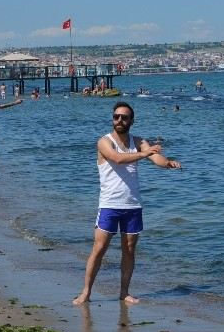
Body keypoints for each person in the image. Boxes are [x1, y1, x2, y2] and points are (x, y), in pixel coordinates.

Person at [73, 102, 181, 305]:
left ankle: (124, 292)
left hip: (132, 205)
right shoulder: (104, 142)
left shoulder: (138, 141)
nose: (119, 121)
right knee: (99, 248)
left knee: (129, 250)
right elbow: (117, 158)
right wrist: (144, 154)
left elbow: (154, 156)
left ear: (132, 120)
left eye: (124, 117)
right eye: (116, 117)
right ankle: (86, 292)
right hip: (109, 205)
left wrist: (167, 163)